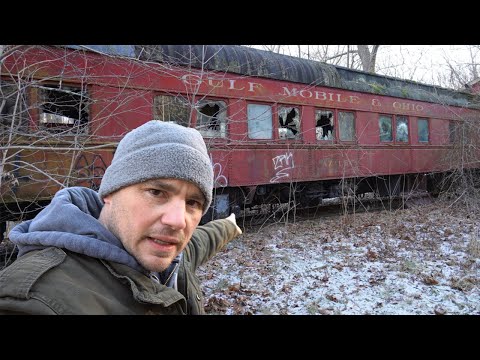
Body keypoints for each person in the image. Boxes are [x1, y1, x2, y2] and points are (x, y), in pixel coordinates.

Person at [0, 120, 242, 315]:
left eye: (193, 203)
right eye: (156, 192)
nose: (178, 221)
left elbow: (200, 242)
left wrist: (230, 225)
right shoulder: (38, 299)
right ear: (110, 193)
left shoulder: (165, 256)